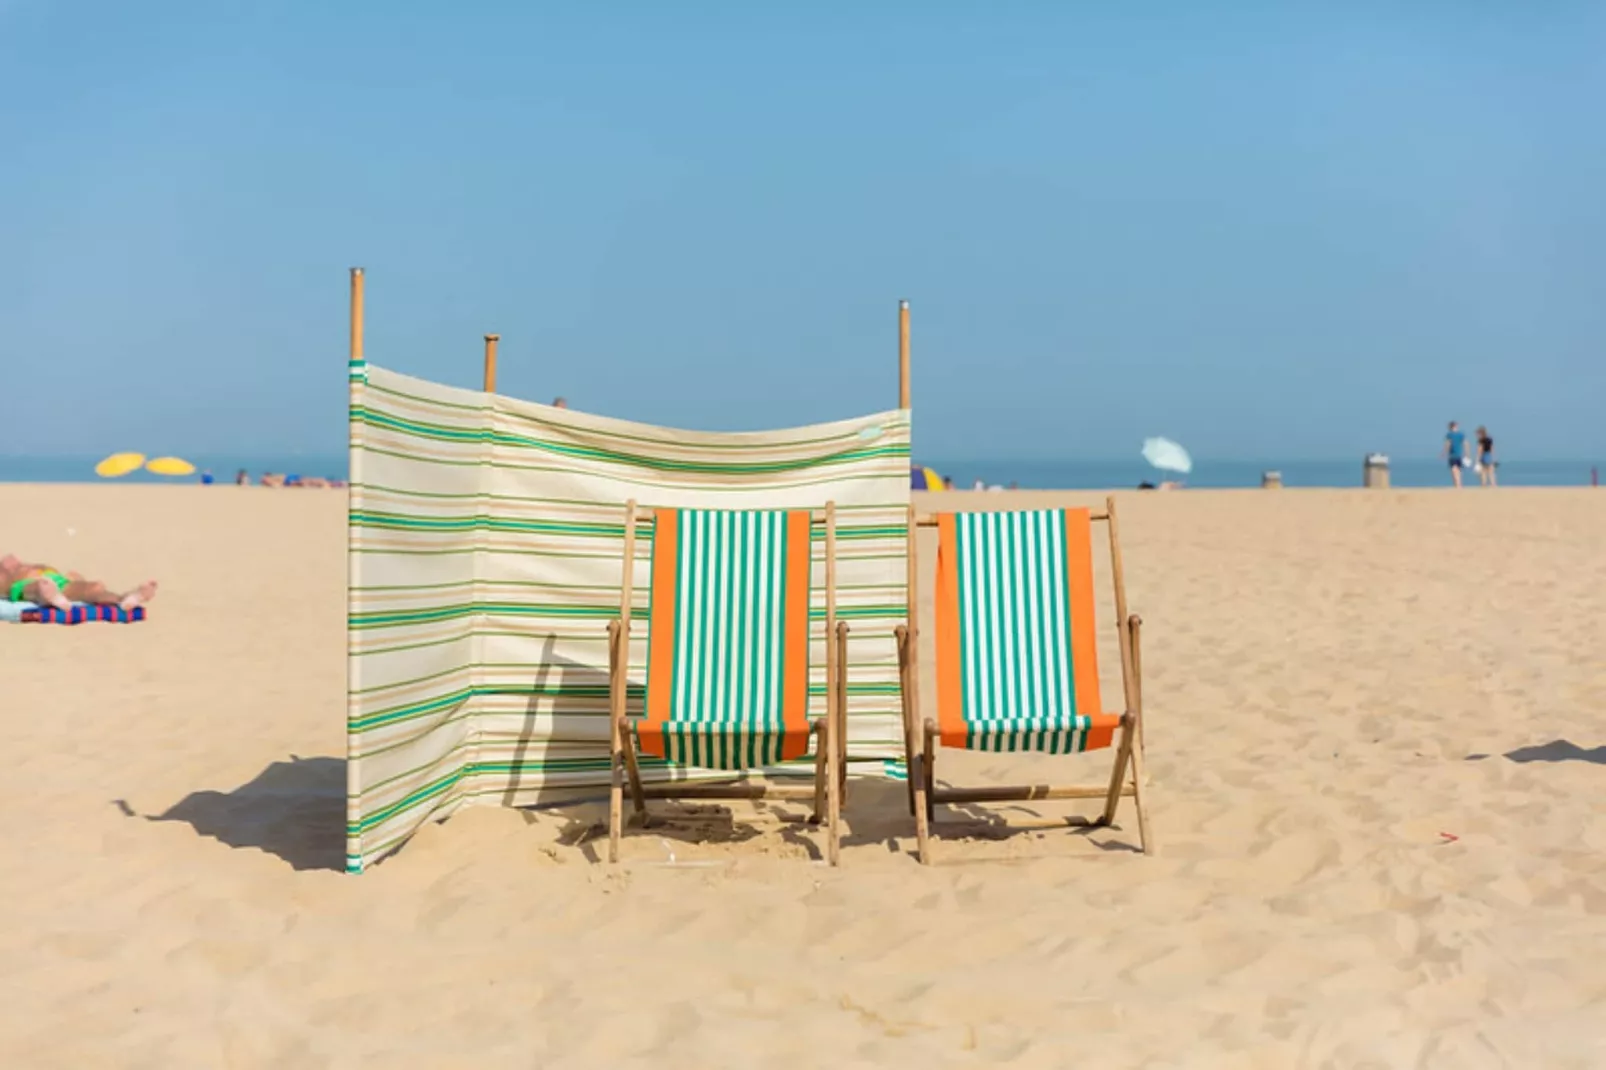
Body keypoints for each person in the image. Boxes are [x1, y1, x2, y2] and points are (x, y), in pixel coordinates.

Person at [1, 554, 157, 612]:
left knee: (95, 587)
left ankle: (126, 598)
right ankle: (48, 596)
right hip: (25, 584)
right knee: (35, 588)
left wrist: (76, 579)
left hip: (58, 580)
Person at [1442, 421, 1467, 488]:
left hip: (1453, 456)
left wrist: (1444, 453)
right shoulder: (1461, 434)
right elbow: (1465, 444)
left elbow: (1447, 444)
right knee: (1458, 471)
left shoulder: (1450, 434)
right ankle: (1458, 485)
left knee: (1454, 470)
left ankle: (1457, 485)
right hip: (1458, 455)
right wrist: (1466, 453)